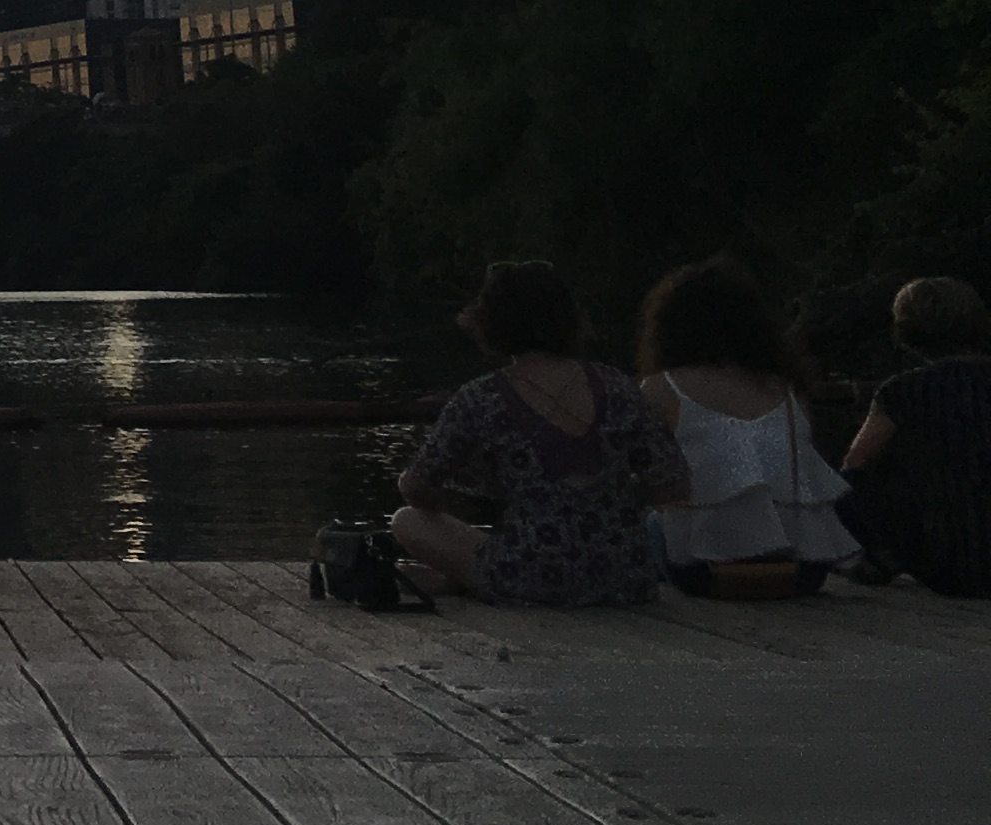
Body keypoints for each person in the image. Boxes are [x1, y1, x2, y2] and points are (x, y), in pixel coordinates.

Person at [390, 260, 688, 607]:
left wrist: (465, 498)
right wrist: (606, 495)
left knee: (407, 521)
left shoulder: (481, 397)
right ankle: (457, 579)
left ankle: (462, 579)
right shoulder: (618, 387)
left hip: (528, 578)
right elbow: (675, 483)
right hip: (624, 576)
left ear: (491, 323)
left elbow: (415, 487)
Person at [635, 257, 858, 589]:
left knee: (650, 520)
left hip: (706, 569)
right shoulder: (785, 389)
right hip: (802, 570)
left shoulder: (661, 389)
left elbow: (650, 476)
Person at [839, 275, 991, 594]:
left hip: (949, 566)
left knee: (850, 481)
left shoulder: (902, 392)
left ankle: (885, 557)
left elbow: (856, 464)